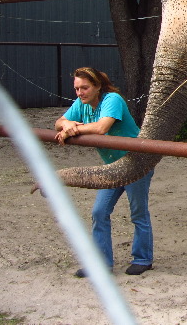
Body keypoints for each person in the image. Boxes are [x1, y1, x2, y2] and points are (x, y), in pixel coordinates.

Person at [55, 67, 154, 277]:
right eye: (77, 89)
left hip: (136, 161)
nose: (80, 93)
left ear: (98, 86)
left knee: (138, 211)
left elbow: (102, 127)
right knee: (99, 212)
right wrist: (67, 124)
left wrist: (74, 129)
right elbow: (59, 122)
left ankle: (143, 258)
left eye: (85, 88)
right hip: (112, 166)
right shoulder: (81, 103)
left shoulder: (113, 99)